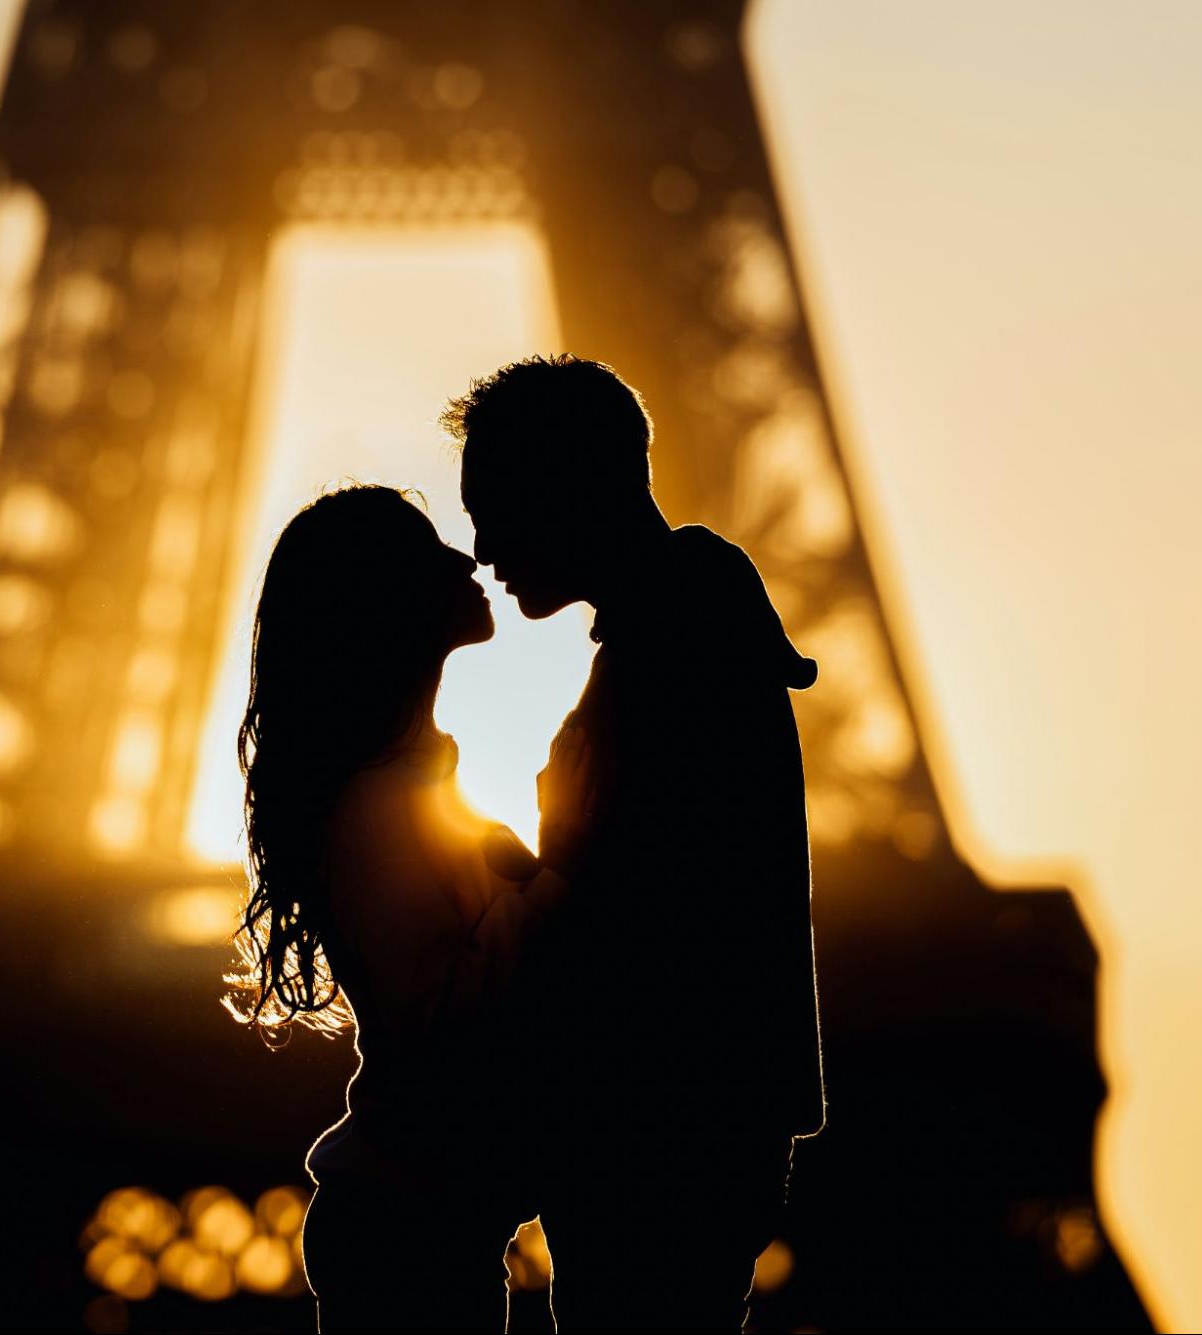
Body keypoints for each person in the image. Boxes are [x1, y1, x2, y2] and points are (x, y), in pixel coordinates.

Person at [446, 354, 826, 1333]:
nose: (480, 544)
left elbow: (632, 913)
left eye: (493, 504)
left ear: (565, 486)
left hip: (652, 1122)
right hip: (683, 1114)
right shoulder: (689, 621)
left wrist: (497, 865)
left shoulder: (672, 642)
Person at [226, 484, 591, 1334]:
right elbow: (445, 1016)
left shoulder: (411, 796)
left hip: (418, 1218)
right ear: (384, 605)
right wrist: (562, 868)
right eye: (432, 551)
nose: (465, 559)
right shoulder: (381, 810)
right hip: (409, 1227)